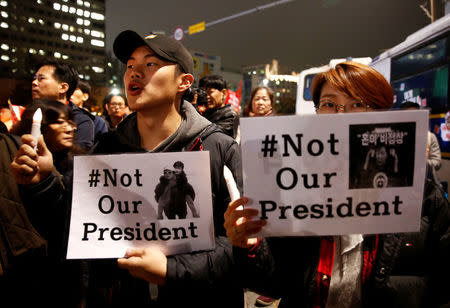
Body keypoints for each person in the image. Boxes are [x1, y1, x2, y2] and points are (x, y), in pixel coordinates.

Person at [11, 30, 243, 308]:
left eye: (150, 64)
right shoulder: (107, 148)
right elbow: (74, 229)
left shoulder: (219, 149)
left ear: (184, 82)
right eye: (130, 65)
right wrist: (42, 183)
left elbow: (246, 247)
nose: (134, 73)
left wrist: (174, 269)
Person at [224, 61, 450, 308]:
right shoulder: (290, 188)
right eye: (329, 104)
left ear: (382, 114)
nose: (341, 115)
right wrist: (250, 247)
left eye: (358, 104)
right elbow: (273, 284)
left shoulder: (424, 198)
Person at [31, 59, 94, 150]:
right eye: (34, 78)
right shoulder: (31, 115)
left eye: (41, 78)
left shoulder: (81, 121)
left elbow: (78, 159)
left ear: (63, 87)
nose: (34, 83)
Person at [399, 101, 442, 184]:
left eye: (416, 115)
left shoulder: (429, 137)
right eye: (408, 116)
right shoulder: (397, 136)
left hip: (425, 186)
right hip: (402, 184)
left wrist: (421, 161)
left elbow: (437, 163)